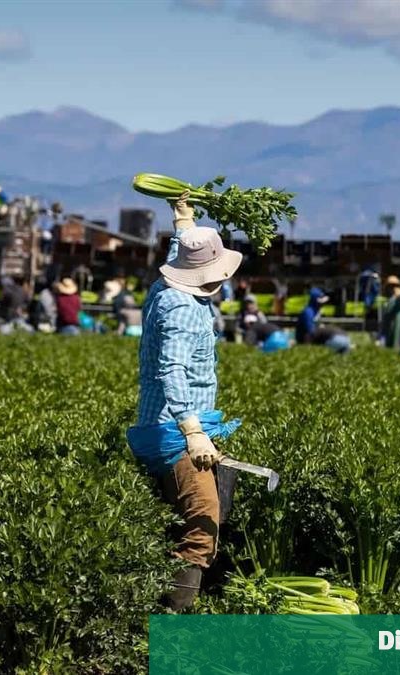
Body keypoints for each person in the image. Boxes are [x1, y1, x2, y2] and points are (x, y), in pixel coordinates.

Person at [125, 194, 243, 611]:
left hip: (171, 425)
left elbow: (181, 256)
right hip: (172, 432)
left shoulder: (165, 287)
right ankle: (172, 621)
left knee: (195, 509)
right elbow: (170, 370)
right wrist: (192, 432)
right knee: (203, 522)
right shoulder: (180, 311)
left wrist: (184, 220)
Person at [378, 275, 400, 346]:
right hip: (387, 329)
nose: (393, 288)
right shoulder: (388, 300)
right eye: (390, 286)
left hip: (397, 330)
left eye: (395, 286)